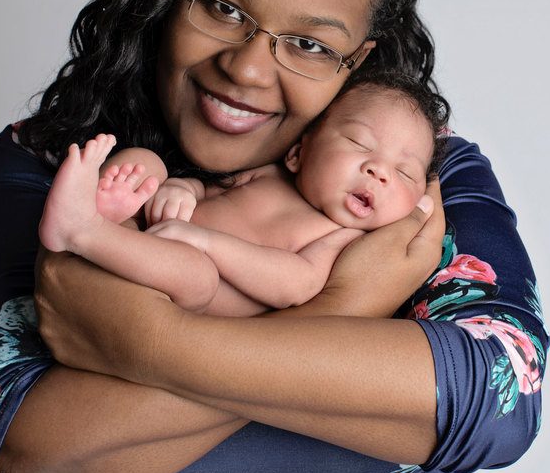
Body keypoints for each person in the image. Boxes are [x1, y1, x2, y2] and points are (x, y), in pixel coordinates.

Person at [0, 0, 549, 473]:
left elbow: (497, 405)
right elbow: (25, 452)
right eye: (223, 8)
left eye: (311, 44)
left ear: (359, 60)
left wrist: (146, 346)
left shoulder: (415, 180)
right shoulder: (57, 165)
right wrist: (349, 326)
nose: (250, 69)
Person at [39, 77, 451, 317]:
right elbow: (209, 188)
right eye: (360, 144)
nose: (378, 172)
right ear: (298, 152)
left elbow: (296, 283)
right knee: (148, 163)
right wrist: (181, 188)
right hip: (149, 233)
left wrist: (207, 243)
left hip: (187, 295)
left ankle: (81, 231)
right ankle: (105, 209)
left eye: (403, 172)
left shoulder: (343, 236)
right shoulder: (268, 172)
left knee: (196, 274)